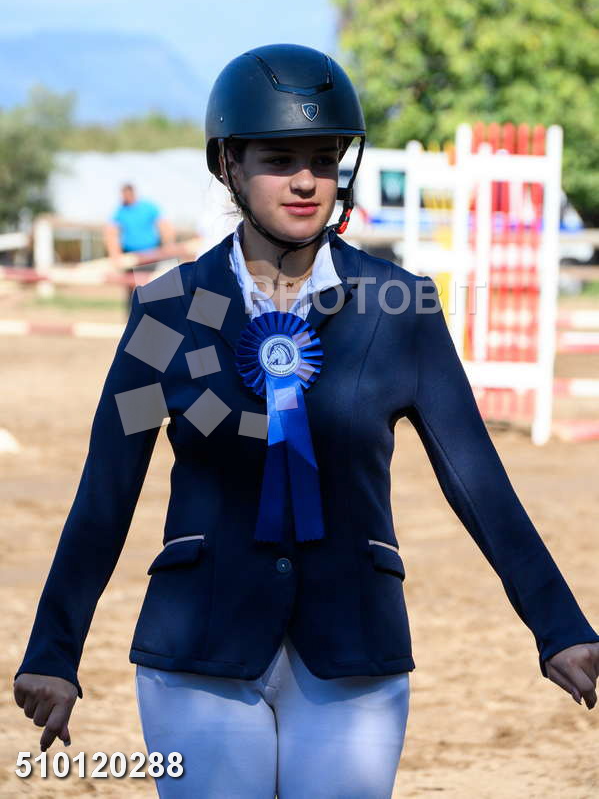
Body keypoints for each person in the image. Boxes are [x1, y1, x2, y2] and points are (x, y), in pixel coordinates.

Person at [13, 44, 599, 798]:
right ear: (227, 163)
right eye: (279, 158)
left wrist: (558, 624)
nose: (305, 180)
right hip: (200, 648)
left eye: (324, 160)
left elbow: (477, 479)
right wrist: (54, 650)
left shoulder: (402, 308)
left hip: (355, 644)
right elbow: (107, 488)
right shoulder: (165, 313)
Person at [103, 183, 176, 312]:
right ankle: (132, 316)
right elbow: (111, 233)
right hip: (130, 256)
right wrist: (115, 255)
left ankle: (156, 315)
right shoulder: (120, 211)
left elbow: (164, 225)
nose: (125, 198)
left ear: (133, 193)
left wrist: (168, 245)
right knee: (132, 291)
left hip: (151, 255)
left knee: (154, 288)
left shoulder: (148, 207)